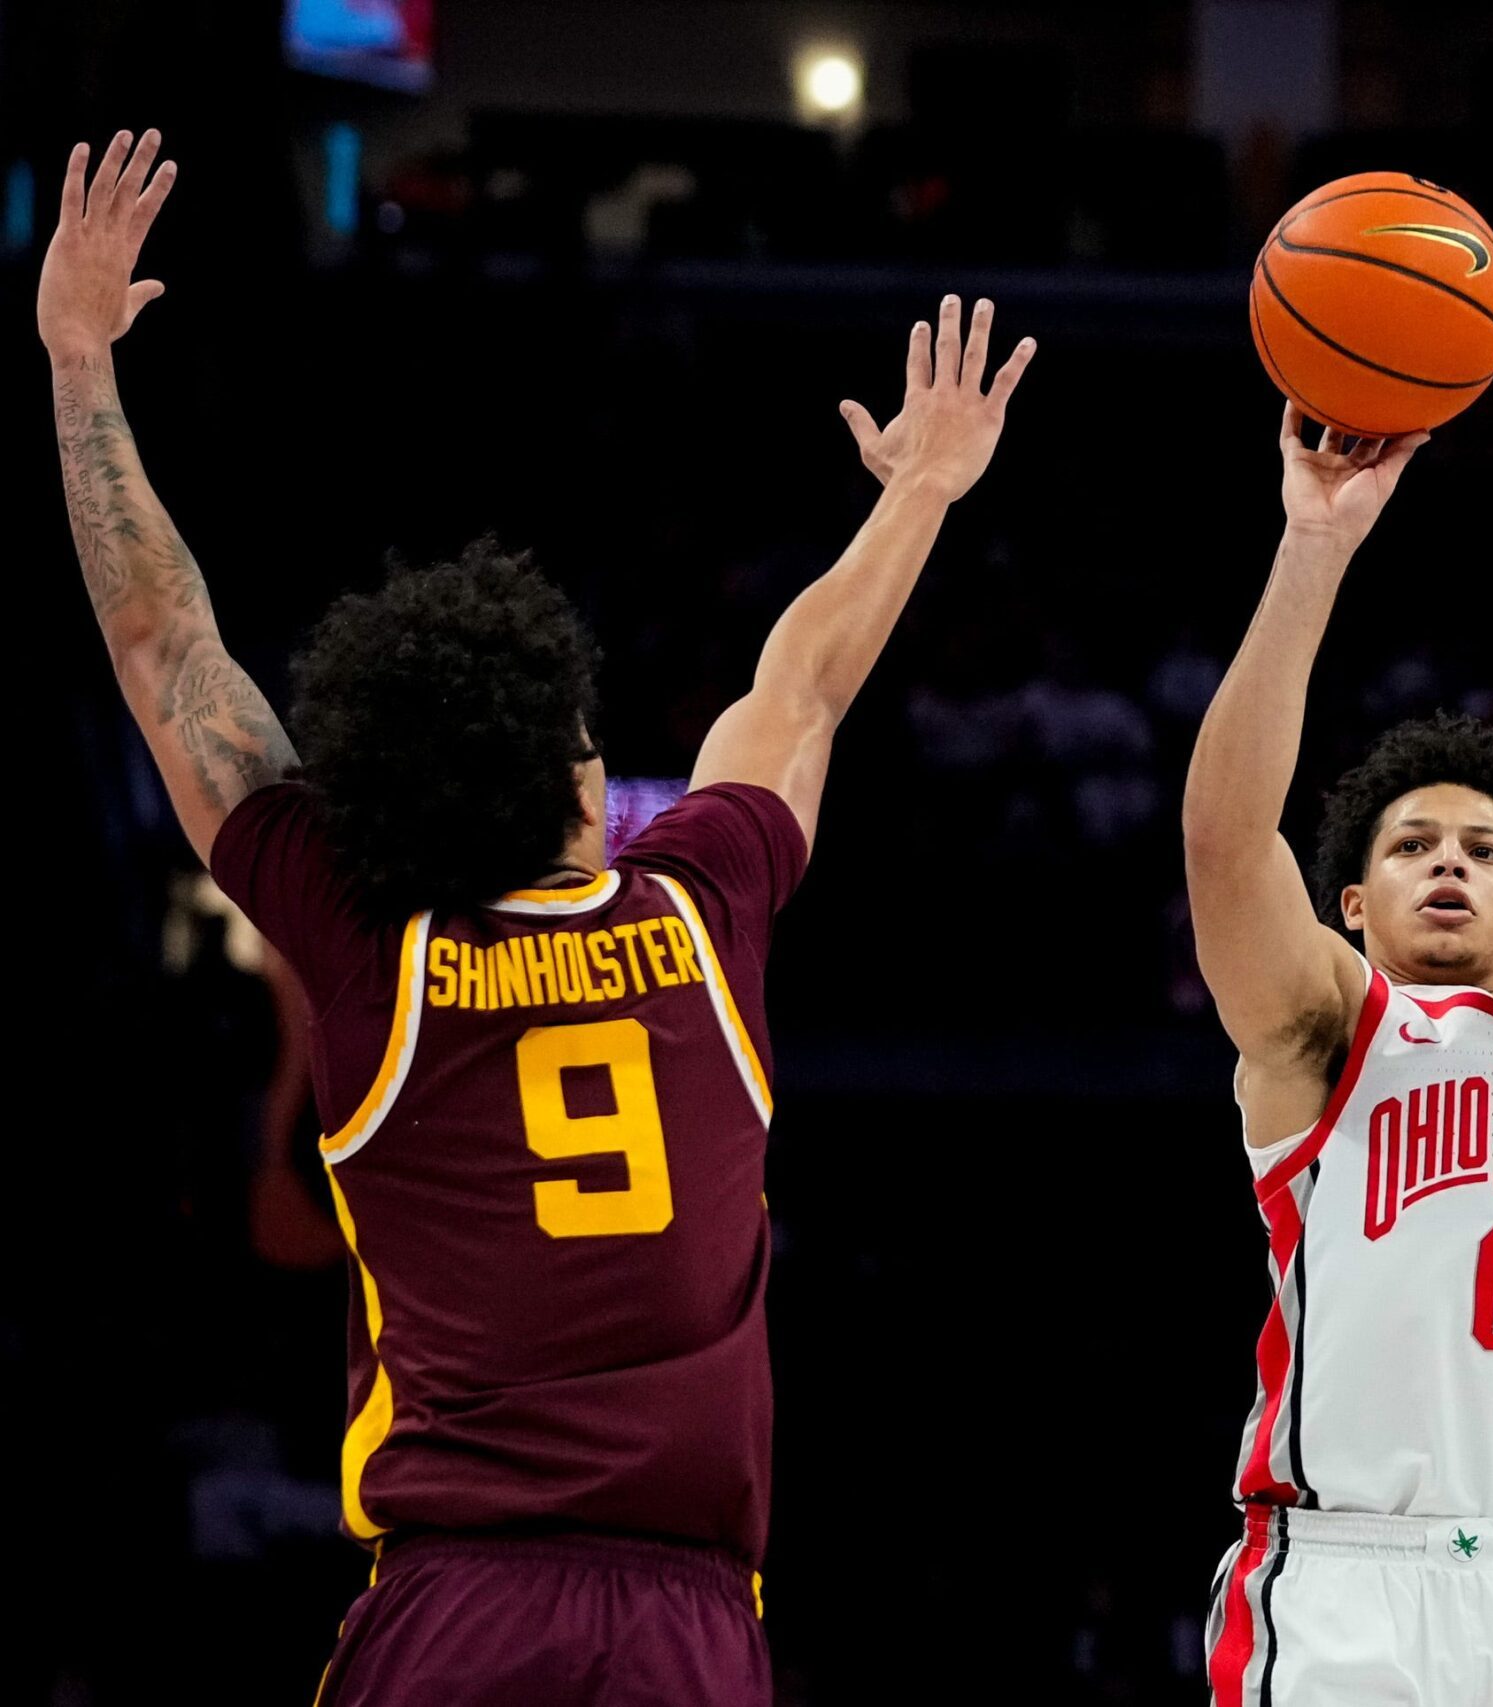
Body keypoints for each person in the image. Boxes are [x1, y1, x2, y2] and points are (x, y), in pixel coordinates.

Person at [42, 129, 1033, 1705]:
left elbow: (171, 651)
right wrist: (918, 491)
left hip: (454, 1605)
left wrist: (79, 362)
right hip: (688, 1615)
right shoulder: (705, 907)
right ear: (581, 782)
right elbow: (807, 683)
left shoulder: (371, 948)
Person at [1181, 398, 1493, 1705]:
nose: (1449, 861)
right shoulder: (1328, 1032)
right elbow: (1227, 849)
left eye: (1482, 850)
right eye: (1411, 847)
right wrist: (1313, 548)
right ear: (1351, 905)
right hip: (1348, 1583)